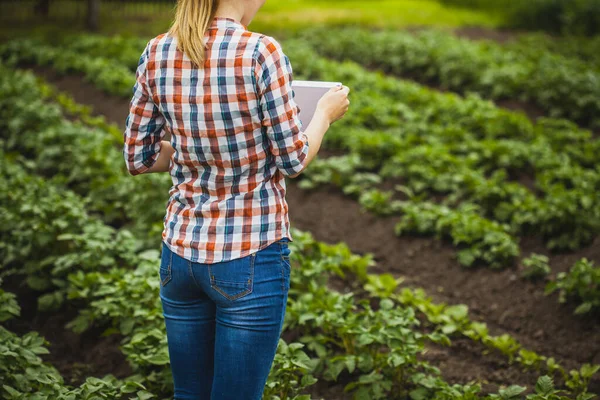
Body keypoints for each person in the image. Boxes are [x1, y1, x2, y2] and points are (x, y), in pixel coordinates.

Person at [123, 0, 350, 398]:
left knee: (189, 393)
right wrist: (324, 116)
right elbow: (293, 159)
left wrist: (199, 143)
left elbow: (138, 158)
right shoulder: (261, 51)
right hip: (248, 254)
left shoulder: (157, 50)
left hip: (180, 253)